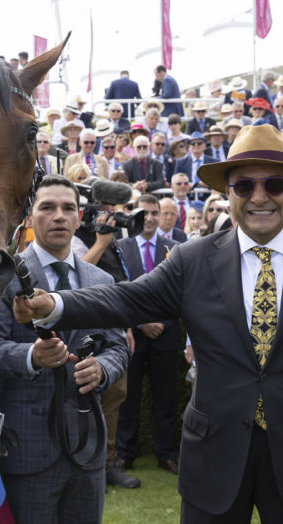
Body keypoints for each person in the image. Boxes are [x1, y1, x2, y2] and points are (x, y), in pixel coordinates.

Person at [12, 125, 283, 523]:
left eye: (273, 184)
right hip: (216, 456)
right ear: (227, 191)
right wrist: (55, 303)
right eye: (243, 187)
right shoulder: (193, 260)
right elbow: (126, 298)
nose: (259, 197)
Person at [0, 175, 128, 523]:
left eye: (68, 208)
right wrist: (31, 357)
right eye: (47, 207)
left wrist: (103, 368)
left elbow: (118, 348)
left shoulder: (102, 281)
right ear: (30, 217)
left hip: (88, 445)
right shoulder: (4, 276)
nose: (58, 216)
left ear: (78, 218)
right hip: (27, 448)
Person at [114, 194, 181, 475]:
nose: (150, 218)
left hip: (166, 333)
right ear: (134, 215)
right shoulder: (119, 247)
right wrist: (141, 323)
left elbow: (180, 290)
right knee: (128, 398)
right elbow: (117, 289)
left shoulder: (175, 248)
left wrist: (160, 321)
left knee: (166, 397)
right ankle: (125, 453)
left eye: (155, 213)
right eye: (145, 213)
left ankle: (166, 454)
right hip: (133, 335)